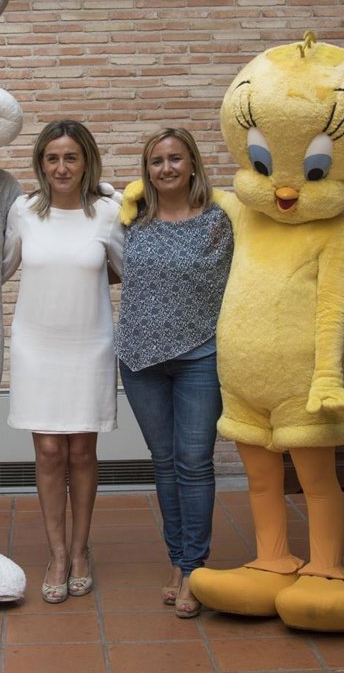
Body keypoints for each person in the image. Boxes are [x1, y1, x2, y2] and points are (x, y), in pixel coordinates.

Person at [3, 119, 123, 604]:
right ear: (41, 163)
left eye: (71, 157)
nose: (61, 167)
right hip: (36, 345)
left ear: (86, 160)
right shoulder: (24, 210)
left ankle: (79, 550)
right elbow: (1, 266)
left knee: (82, 453)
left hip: (89, 343)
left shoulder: (108, 213)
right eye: (52, 158)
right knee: (50, 451)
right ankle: (56, 553)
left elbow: (130, 268)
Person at [115, 128, 233, 618]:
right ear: (147, 170)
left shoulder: (220, 222)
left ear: (192, 164)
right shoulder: (131, 220)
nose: (166, 168)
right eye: (157, 161)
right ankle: (178, 560)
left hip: (200, 356)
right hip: (140, 358)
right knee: (163, 461)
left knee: (194, 462)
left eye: (175, 159)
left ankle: (193, 568)